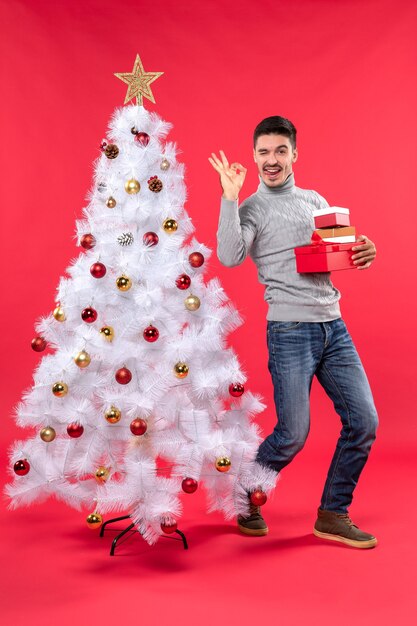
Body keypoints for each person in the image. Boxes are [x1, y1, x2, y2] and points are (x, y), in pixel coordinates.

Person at [209, 116, 379, 549]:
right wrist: (230, 198)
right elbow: (229, 257)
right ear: (254, 156)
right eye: (264, 152)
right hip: (289, 330)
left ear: (294, 155)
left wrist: (362, 251)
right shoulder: (251, 207)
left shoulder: (315, 200)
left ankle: (333, 513)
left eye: (280, 151)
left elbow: (332, 254)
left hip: (333, 326)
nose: (272, 160)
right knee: (293, 433)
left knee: (364, 422)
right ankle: (245, 494)